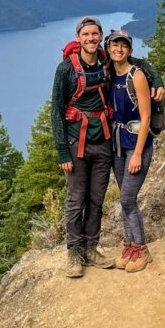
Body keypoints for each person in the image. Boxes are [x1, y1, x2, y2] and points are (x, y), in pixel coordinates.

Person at [52, 16, 114, 277]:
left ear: (100, 37)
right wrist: (62, 151)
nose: (90, 38)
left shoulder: (106, 63)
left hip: (103, 142)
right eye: (86, 34)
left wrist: (155, 81)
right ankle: (74, 253)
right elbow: (56, 110)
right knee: (76, 200)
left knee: (96, 200)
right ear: (78, 38)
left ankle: (91, 248)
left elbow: (138, 64)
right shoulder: (66, 68)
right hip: (76, 143)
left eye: (95, 34)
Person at [105, 29, 161, 272]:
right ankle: (129, 246)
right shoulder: (109, 75)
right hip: (117, 143)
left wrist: (138, 153)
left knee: (128, 198)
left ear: (129, 50)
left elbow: (146, 117)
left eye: (123, 46)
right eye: (115, 45)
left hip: (137, 143)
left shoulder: (136, 75)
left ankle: (141, 249)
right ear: (108, 48)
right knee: (124, 199)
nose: (119, 49)